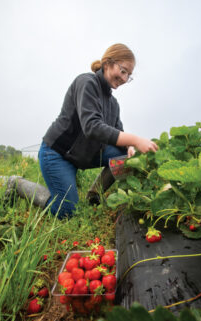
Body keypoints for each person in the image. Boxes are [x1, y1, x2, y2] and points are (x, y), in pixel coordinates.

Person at [38, 43, 158, 219]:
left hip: (84, 154)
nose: (125, 79)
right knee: (67, 211)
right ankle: (19, 185)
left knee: (125, 157)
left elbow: (118, 132)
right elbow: (92, 127)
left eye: (129, 75)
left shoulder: (113, 104)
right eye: (123, 71)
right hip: (58, 154)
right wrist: (136, 140)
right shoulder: (86, 83)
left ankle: (94, 195)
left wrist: (129, 148)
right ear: (108, 63)